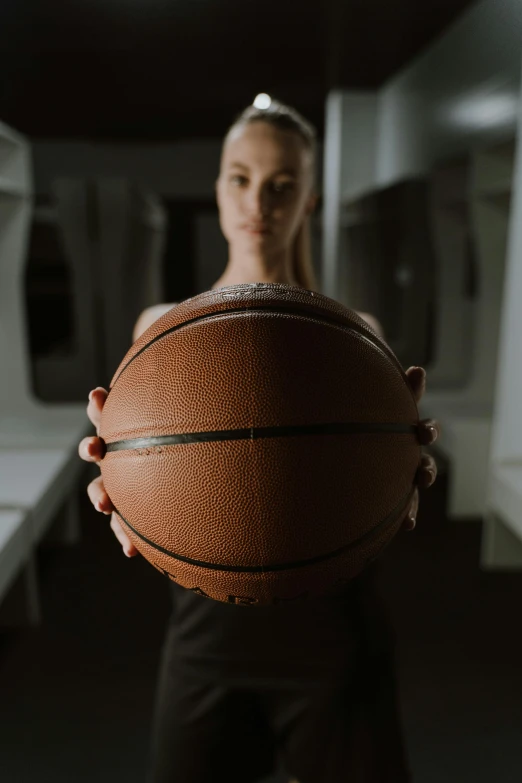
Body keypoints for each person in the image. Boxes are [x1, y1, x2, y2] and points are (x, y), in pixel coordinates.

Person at [79, 100, 439, 783]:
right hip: (205, 635)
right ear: (217, 189)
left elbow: (385, 469)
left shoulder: (357, 335)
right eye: (239, 178)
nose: (258, 200)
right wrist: (118, 479)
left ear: (310, 195)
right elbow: (141, 481)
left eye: (282, 183)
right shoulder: (159, 331)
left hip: (334, 632)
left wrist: (401, 468)